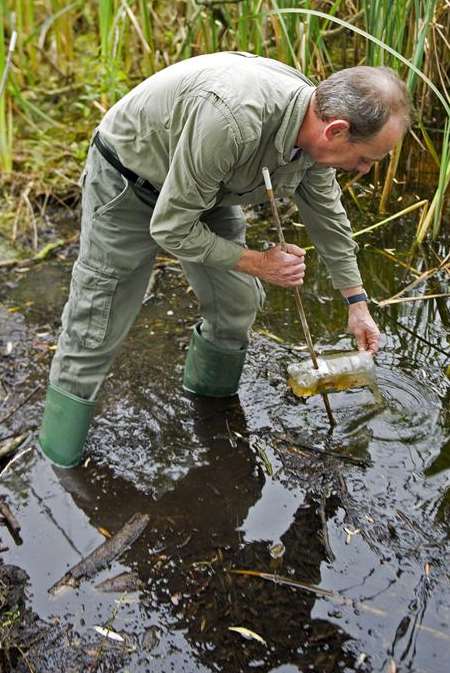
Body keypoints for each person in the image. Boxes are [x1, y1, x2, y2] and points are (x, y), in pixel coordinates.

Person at [38, 51, 411, 468]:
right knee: (98, 319)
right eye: (365, 159)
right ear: (336, 130)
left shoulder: (314, 132)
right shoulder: (233, 121)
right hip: (129, 181)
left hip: (210, 186)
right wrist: (259, 262)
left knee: (237, 301)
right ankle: (59, 457)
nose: (361, 170)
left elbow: (327, 215)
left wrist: (356, 304)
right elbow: (171, 228)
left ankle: (210, 413)